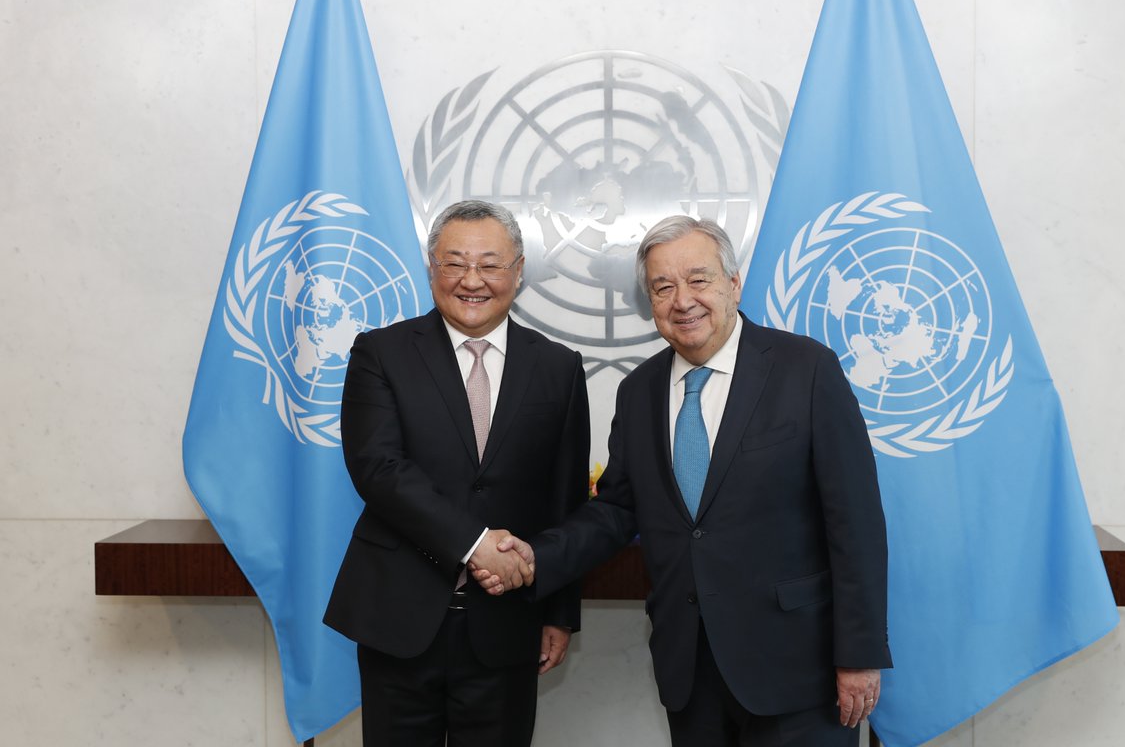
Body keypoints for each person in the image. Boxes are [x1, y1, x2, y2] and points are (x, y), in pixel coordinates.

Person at [476, 216, 890, 747]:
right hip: (689, 667)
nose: (682, 300)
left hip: (797, 668)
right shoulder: (640, 391)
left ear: (733, 284)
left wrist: (858, 656)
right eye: (662, 287)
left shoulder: (806, 369)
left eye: (698, 280)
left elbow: (854, 522)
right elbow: (618, 510)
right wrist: (536, 558)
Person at [324, 199, 590, 747]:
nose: (472, 280)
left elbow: (566, 499)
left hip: (508, 627)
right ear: (431, 269)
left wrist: (559, 613)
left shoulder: (558, 367)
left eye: (490, 264)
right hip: (399, 619)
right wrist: (475, 545)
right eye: (455, 263)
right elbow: (378, 468)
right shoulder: (380, 352)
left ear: (517, 272)